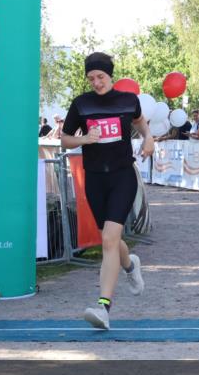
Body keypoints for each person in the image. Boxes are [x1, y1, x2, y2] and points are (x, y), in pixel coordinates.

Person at [60, 52, 153, 330]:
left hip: (123, 175)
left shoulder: (127, 100)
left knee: (110, 238)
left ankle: (103, 307)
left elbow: (139, 121)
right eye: (91, 78)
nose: (96, 83)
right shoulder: (82, 104)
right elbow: (64, 139)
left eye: (100, 77)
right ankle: (130, 265)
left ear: (110, 75)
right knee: (110, 239)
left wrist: (149, 139)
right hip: (95, 179)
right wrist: (84, 138)